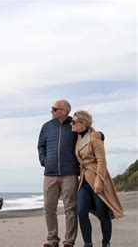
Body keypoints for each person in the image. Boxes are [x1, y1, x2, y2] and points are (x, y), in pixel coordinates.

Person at [71, 110, 124, 247]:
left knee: (102, 213)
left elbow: (102, 161)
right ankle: (87, 244)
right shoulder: (77, 138)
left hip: (96, 177)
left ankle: (106, 243)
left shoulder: (94, 138)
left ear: (84, 123)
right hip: (83, 179)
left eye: (74, 121)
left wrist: (99, 181)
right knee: (81, 211)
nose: (72, 123)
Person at [38, 99, 79, 247]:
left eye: (54, 109)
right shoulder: (46, 126)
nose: (52, 111)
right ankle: (52, 240)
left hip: (70, 173)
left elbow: (88, 134)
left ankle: (69, 240)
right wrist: (44, 161)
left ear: (64, 111)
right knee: (49, 208)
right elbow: (40, 145)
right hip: (50, 174)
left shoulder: (74, 124)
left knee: (71, 209)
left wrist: (100, 134)